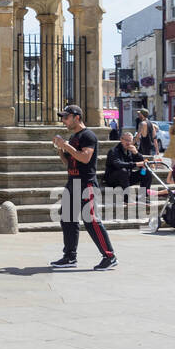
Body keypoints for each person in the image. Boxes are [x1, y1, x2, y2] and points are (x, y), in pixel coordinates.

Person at [51, 104, 117, 271]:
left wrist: (66, 145)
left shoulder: (88, 136)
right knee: (67, 219)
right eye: (63, 118)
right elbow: (69, 162)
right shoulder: (74, 137)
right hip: (72, 181)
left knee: (91, 220)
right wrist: (60, 149)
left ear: (77, 117)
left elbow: (85, 158)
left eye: (66, 117)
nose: (63, 121)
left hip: (86, 183)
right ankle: (69, 257)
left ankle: (109, 256)